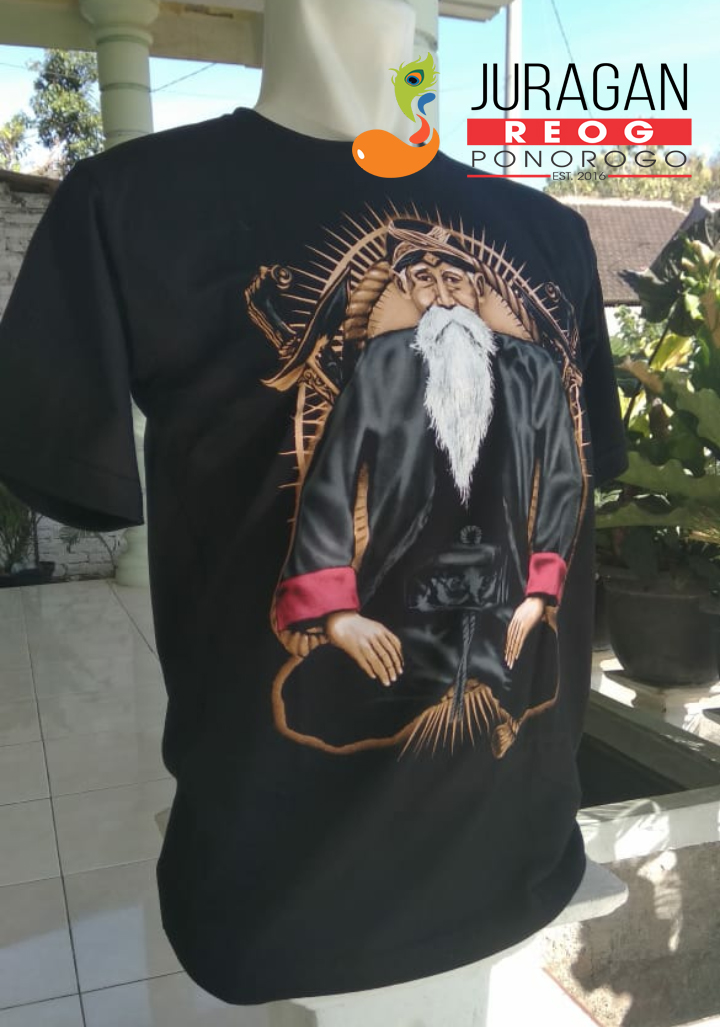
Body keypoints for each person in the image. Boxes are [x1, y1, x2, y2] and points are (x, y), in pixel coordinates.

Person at [271, 218, 584, 757]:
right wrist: (340, 615)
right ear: (406, 290)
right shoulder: (383, 361)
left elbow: (562, 476)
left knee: (535, 678)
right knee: (313, 704)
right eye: (423, 280)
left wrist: (539, 595)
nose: (442, 294)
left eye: (454, 280)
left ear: (478, 287)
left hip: (505, 593)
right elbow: (330, 478)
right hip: (402, 593)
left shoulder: (534, 368)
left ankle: (498, 702)